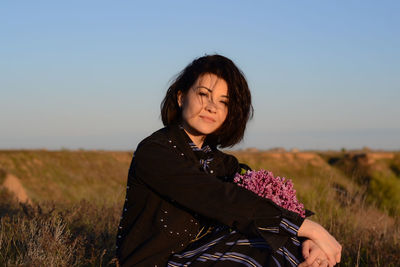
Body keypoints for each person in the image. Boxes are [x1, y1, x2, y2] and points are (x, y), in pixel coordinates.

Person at [116, 54, 341, 266]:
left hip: (205, 253)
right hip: (158, 261)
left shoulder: (223, 164)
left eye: (223, 101)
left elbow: (258, 201)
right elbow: (217, 197)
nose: (212, 107)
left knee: (280, 242)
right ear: (181, 97)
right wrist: (309, 229)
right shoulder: (155, 152)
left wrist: (307, 240)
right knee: (254, 247)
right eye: (203, 94)